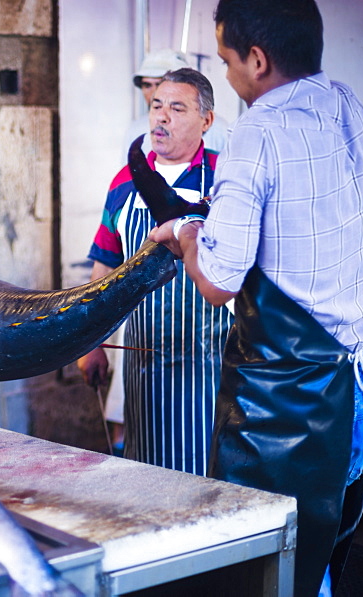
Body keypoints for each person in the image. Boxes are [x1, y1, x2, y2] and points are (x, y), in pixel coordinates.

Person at [149, 0, 363, 597]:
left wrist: (186, 235)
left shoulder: (256, 132)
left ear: (257, 59)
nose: (226, 76)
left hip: (288, 406)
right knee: (321, 556)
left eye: (225, 61)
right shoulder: (345, 102)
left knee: (270, 570)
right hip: (353, 388)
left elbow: (220, 280)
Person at [78, 68, 234, 475]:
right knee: (146, 474)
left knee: (209, 475)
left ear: (207, 121)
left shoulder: (226, 178)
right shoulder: (124, 182)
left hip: (211, 363)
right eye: (156, 106)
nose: (161, 117)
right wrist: (91, 342)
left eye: (177, 108)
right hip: (143, 358)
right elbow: (104, 267)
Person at [124, 48, 230, 155]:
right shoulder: (135, 131)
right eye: (147, 85)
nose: (154, 92)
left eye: (161, 83)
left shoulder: (220, 131)